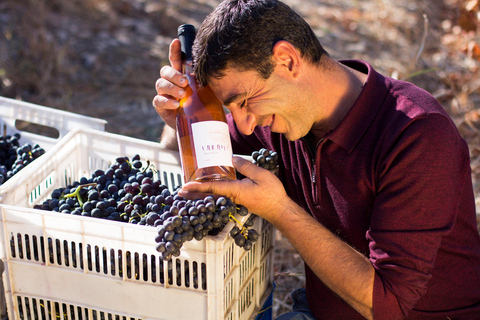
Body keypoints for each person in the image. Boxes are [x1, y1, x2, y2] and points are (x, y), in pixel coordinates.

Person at [152, 0, 480, 319]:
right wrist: (180, 122)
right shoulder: (276, 114)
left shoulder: (416, 135)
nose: (244, 124)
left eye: (243, 101)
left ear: (287, 61)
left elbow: (388, 305)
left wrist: (279, 209)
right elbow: (190, 169)